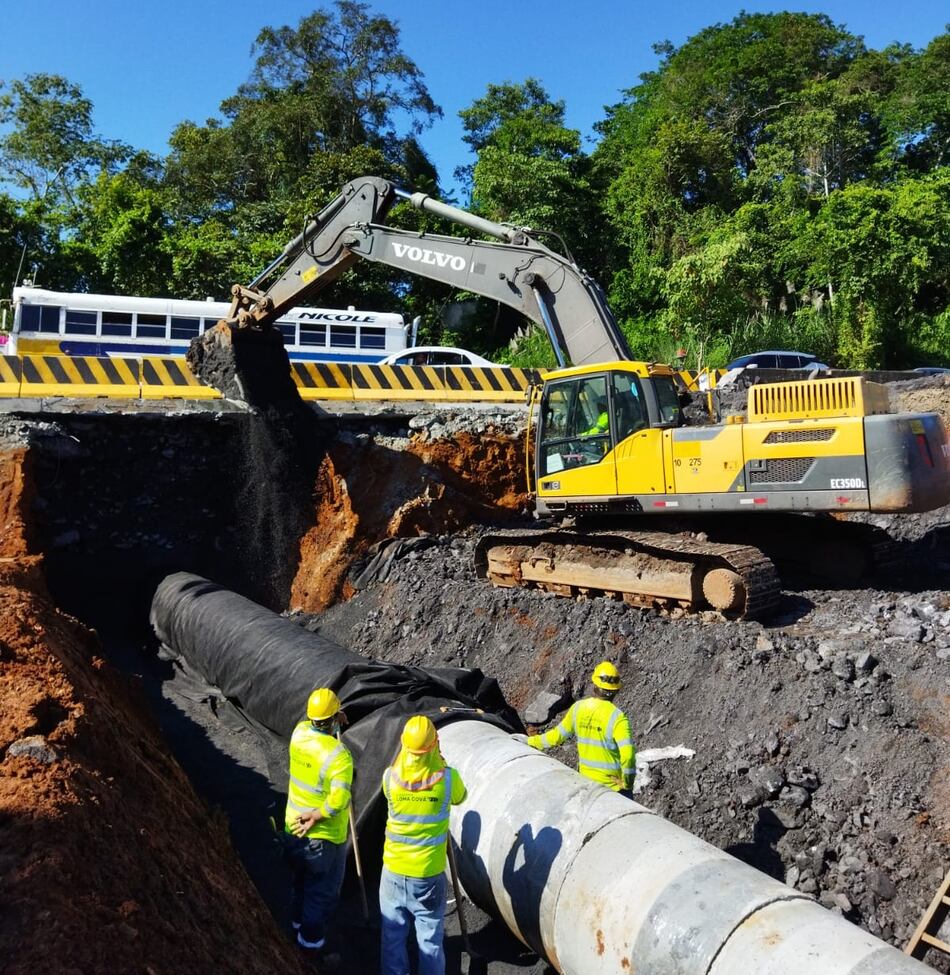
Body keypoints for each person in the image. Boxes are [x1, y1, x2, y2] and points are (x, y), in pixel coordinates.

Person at [379, 715, 467, 975]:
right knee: (429, 938)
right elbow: (462, 797)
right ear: (434, 745)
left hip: (393, 871)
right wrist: (440, 764)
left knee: (392, 936)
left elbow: (398, 791)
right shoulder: (448, 780)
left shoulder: (389, 779)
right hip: (427, 875)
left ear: (403, 745)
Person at [284, 687, 353, 955]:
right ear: (335, 717)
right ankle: (310, 945)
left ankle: (296, 924)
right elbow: (338, 801)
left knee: (300, 882)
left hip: (293, 827)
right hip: (323, 837)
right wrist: (316, 815)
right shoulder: (339, 756)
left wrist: (334, 719)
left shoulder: (298, 734)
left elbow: (317, 725)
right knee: (321, 891)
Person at [526, 661, 636, 796]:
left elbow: (556, 737)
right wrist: (627, 783)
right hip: (613, 790)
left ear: (594, 684)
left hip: (587, 785)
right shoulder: (618, 718)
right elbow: (628, 756)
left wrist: (530, 742)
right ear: (616, 690)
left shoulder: (578, 709)